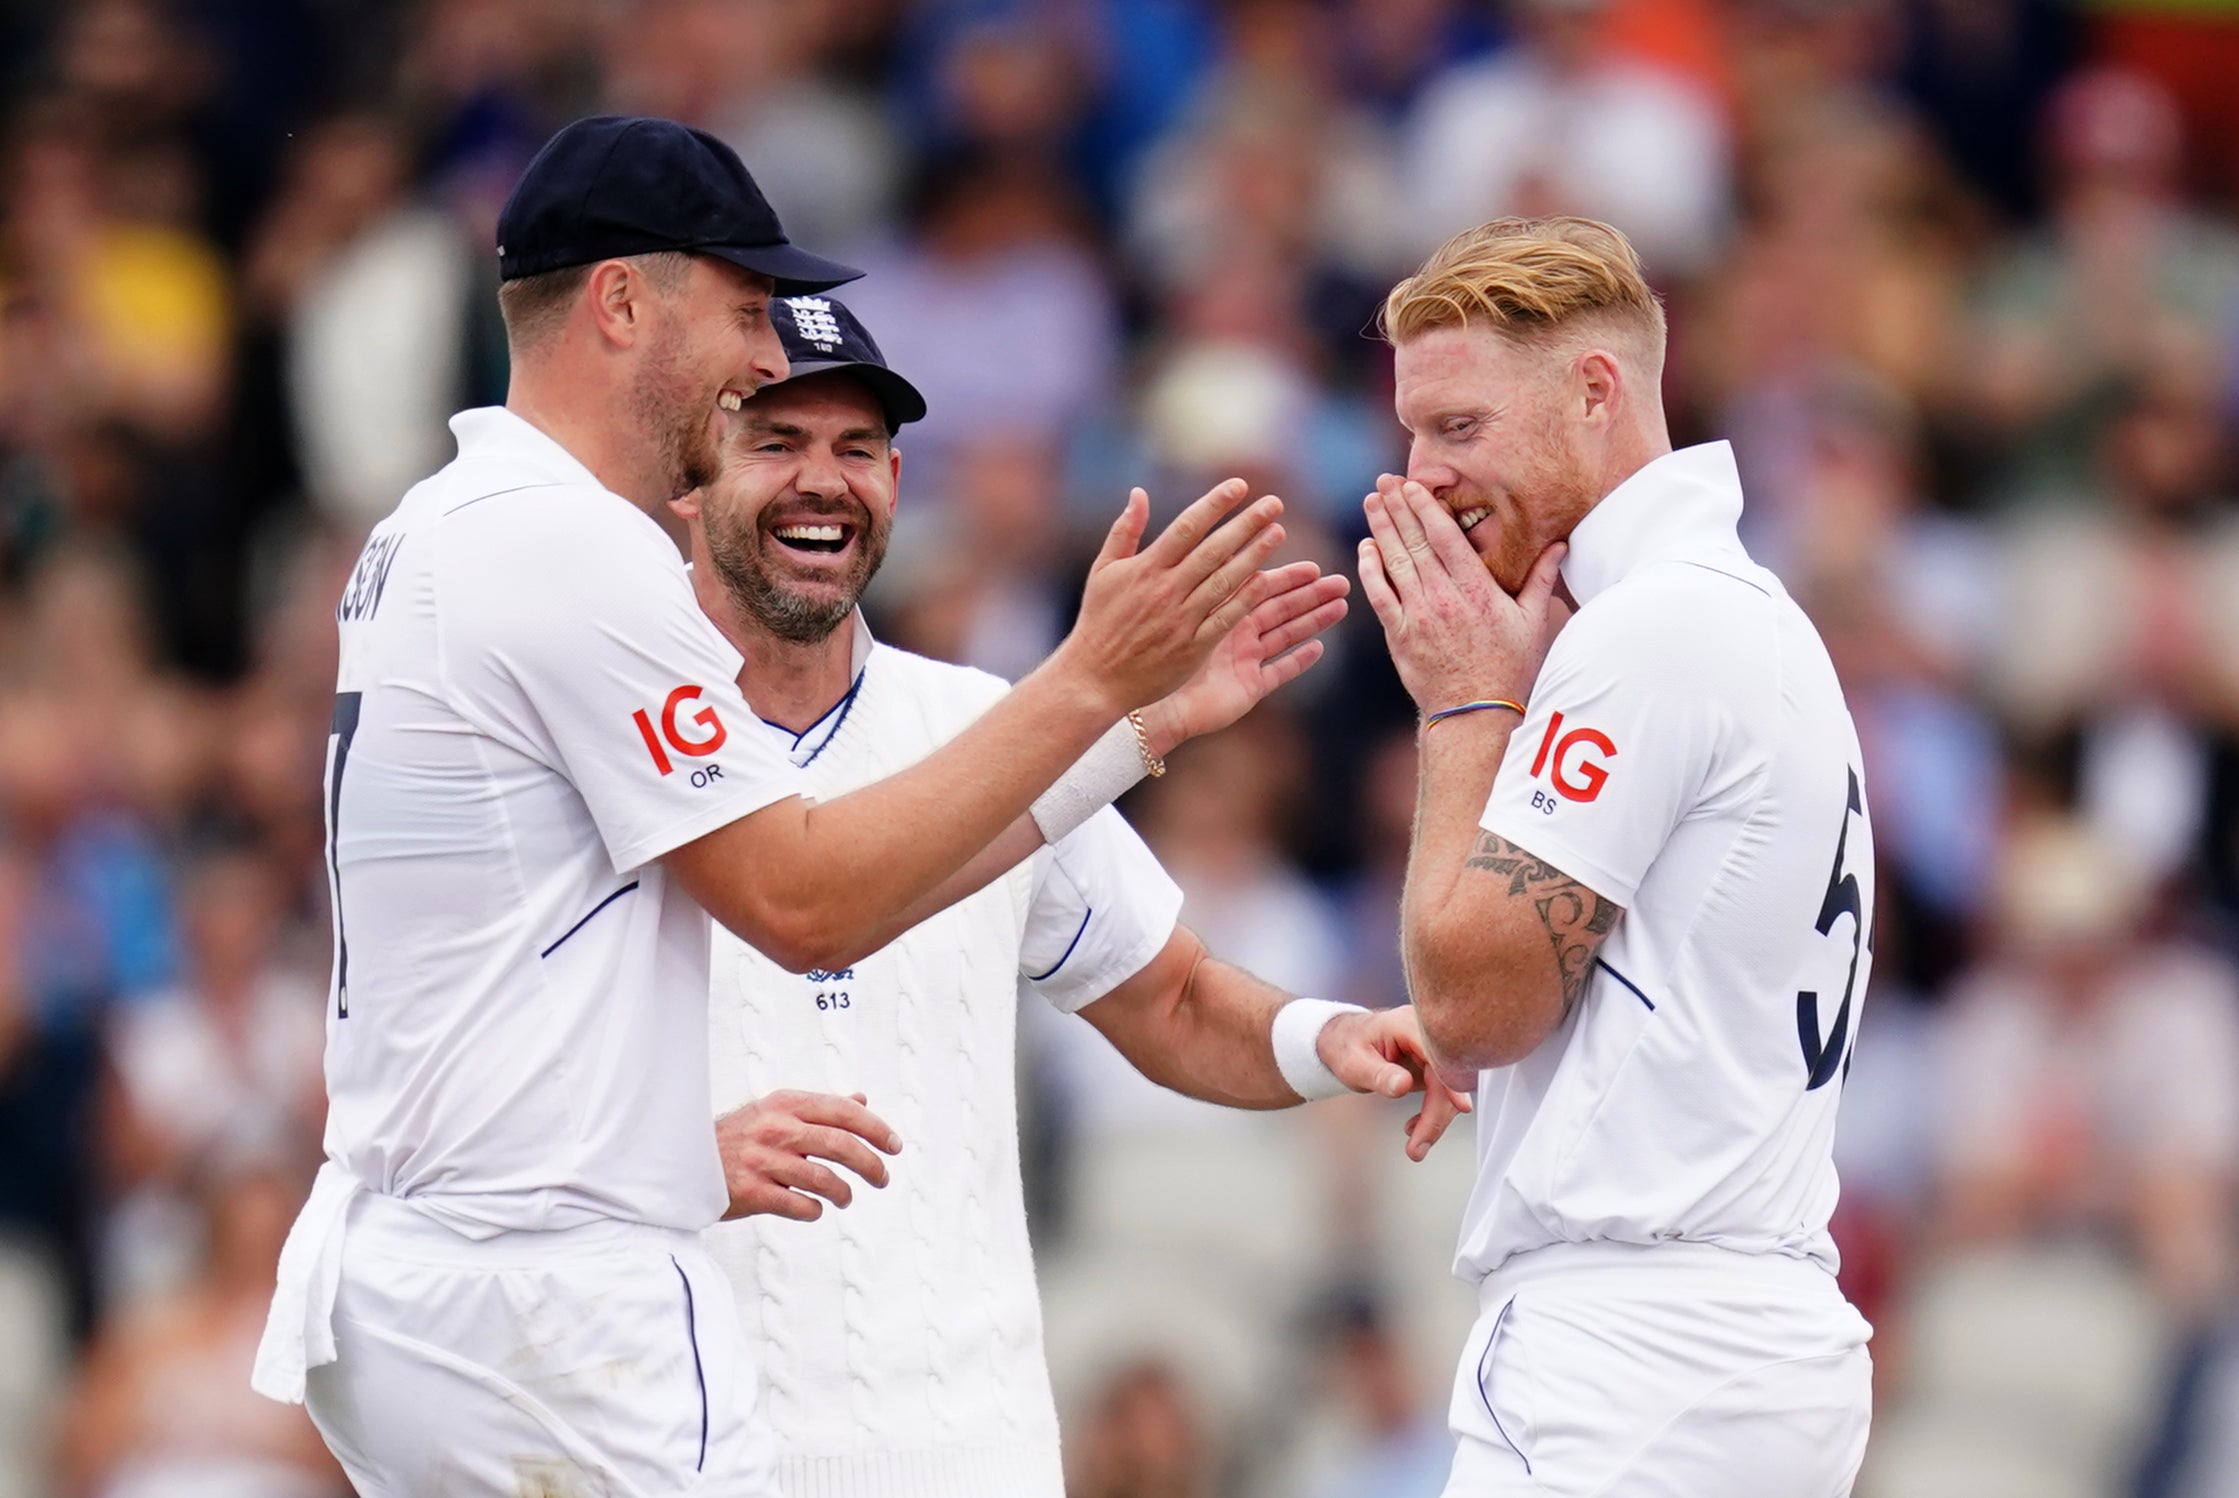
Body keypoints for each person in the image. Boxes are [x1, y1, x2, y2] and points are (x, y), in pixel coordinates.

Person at [249, 115, 1313, 1498]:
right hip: (549, 1294)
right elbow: (808, 904)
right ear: (623, 301)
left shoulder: (433, 528)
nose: (766, 352)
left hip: (420, 1267)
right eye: (747, 310)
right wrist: (1088, 680)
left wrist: (1116, 733)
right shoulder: (576, 552)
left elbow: (830, 878)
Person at [682, 293, 1468, 1497]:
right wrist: (673, 1160)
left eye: (855, 450)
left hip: (963, 1445)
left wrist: (1333, 1035)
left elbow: (1173, 999)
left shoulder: (977, 725)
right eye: (775, 443)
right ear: (690, 476)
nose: (821, 483)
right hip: (687, 1442)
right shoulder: (619, 736)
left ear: (897, 479)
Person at [1354, 216, 1876, 1495]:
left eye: (1461, 427)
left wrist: (1464, 705)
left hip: (1637, 1358)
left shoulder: (1651, 633)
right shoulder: (1723, 611)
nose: (1420, 475)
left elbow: (1475, 1003)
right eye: (1413, 432)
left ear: (1594, 392)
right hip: (1724, 1341)